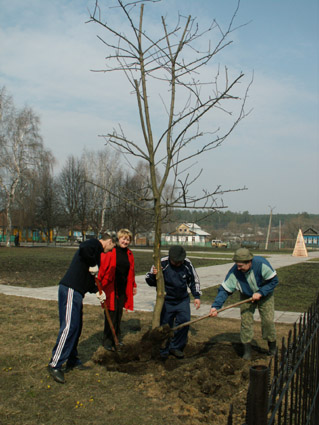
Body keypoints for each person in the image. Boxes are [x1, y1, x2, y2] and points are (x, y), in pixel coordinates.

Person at [48, 232, 116, 384]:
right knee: (69, 327)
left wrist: (98, 292)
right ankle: (54, 364)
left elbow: (89, 277)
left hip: (78, 291)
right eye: (112, 247)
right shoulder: (94, 244)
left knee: (77, 327)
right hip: (71, 289)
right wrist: (93, 263)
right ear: (110, 241)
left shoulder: (96, 252)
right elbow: (83, 247)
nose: (111, 250)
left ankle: (72, 359)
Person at [209, 247, 279, 360]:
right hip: (246, 295)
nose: (238, 267)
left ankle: (272, 348)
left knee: (268, 321)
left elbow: (274, 281)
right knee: (246, 322)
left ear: (249, 262)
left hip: (265, 294)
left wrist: (261, 292)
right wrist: (215, 306)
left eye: (241, 265)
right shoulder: (235, 272)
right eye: (237, 265)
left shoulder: (262, 264)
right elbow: (224, 290)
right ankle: (247, 351)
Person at [145, 245, 201, 359]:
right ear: (170, 258)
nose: (178, 264)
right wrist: (153, 275)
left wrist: (196, 296)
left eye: (180, 261)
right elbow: (149, 280)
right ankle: (163, 349)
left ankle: (175, 347)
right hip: (167, 301)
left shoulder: (187, 264)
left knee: (184, 322)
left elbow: (194, 280)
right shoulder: (162, 263)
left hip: (182, 300)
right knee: (165, 325)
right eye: (176, 262)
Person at [97, 228, 137, 350]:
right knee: (111, 313)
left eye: (128, 239)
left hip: (122, 288)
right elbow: (103, 268)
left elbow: (131, 271)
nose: (125, 241)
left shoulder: (129, 254)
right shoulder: (111, 251)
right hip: (111, 288)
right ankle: (108, 340)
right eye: (123, 239)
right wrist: (99, 285)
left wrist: (133, 285)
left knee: (118, 314)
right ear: (118, 239)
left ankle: (116, 338)